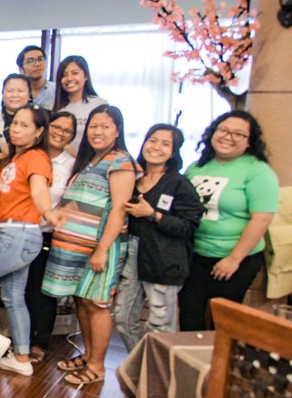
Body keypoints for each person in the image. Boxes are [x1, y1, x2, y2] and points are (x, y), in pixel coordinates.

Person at [43, 105, 137, 385]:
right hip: (75, 247)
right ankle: (88, 354)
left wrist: (102, 250)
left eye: (105, 126)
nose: (98, 132)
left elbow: (119, 209)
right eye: (94, 126)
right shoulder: (90, 160)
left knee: (97, 305)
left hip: (100, 247)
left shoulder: (121, 161)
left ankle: (97, 366)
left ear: (117, 131)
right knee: (82, 301)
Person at [0, 106, 52, 377]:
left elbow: (38, 188)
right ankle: (22, 358)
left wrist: (49, 212)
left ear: (39, 132)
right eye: (15, 123)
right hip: (16, 234)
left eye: (25, 125)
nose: (16, 129)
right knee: (14, 298)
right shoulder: (16, 158)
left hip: (19, 234)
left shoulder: (36, 158)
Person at [179, 111, 278, 331]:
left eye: (238, 134)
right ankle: (192, 365)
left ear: (248, 142)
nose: (228, 137)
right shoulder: (197, 166)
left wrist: (234, 259)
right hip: (195, 256)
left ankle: (220, 365)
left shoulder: (258, 171)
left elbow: (262, 219)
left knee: (222, 323)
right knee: (189, 317)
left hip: (234, 260)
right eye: (223, 130)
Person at [113, 125, 203, 351]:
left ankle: (158, 377)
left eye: (165, 143)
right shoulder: (133, 177)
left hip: (165, 259)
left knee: (160, 325)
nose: (156, 147)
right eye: (152, 140)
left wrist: (153, 215)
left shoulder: (179, 183)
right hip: (132, 254)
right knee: (122, 318)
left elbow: (189, 225)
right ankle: (142, 365)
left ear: (173, 152)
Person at [25, 111, 76, 364]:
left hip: (48, 234)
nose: (60, 133)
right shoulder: (31, 153)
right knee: (18, 289)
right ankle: (20, 338)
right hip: (19, 231)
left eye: (67, 130)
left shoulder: (71, 164)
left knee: (42, 292)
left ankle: (40, 342)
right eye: (56, 126)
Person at [52, 55, 107, 153]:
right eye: (64, 75)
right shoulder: (51, 106)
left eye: (75, 73)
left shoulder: (99, 104)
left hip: (89, 164)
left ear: (86, 76)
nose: (69, 78)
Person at [0, 73, 33, 161]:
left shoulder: (40, 119)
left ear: (29, 95)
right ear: (2, 94)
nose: (14, 95)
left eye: (20, 91)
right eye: (10, 91)